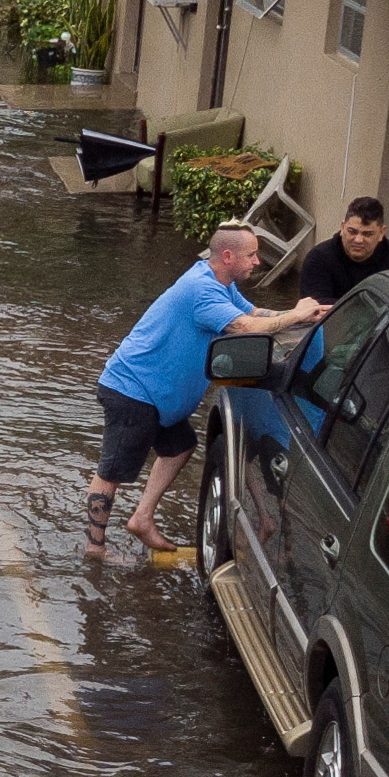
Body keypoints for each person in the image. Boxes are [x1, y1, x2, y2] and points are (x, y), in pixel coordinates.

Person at [87, 223, 327, 558]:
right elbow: (244, 327)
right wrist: (294, 315)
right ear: (227, 256)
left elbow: (254, 313)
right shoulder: (202, 290)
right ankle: (94, 547)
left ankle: (141, 518)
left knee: (180, 447)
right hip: (133, 390)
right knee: (111, 471)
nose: (257, 262)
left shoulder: (220, 283)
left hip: (161, 398)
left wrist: (303, 316)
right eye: (252, 255)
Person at [296, 195, 389, 308]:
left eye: (368, 234)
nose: (358, 240)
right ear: (342, 227)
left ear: (381, 233)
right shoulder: (319, 259)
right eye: (352, 231)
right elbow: (316, 309)